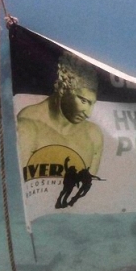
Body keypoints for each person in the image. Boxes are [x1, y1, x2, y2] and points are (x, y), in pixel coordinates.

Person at [16, 51, 105, 206]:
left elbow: (87, 195)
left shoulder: (93, 135)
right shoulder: (28, 127)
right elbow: (20, 192)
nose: (89, 114)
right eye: (83, 101)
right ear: (63, 88)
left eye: (92, 104)